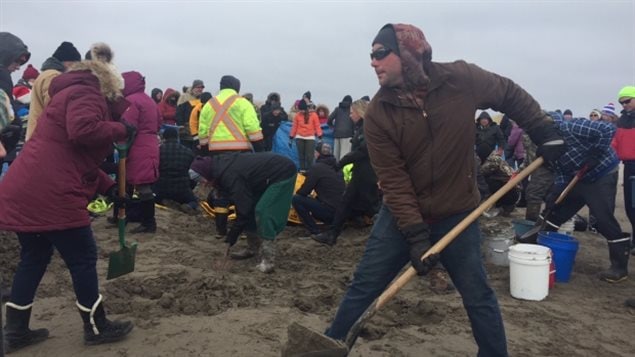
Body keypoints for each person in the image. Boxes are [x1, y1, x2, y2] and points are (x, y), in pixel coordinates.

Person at [322, 23, 565, 357]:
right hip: (401, 217)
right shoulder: (379, 113)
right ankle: (328, 347)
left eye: (380, 54)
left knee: (477, 293)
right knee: (364, 286)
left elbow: (507, 93)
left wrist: (542, 128)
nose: (373, 63)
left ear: (409, 54)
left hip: (458, 212)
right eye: (371, 55)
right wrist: (415, 234)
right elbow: (394, 180)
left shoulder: (460, 79)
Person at [0, 59, 135, 353]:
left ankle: (16, 331)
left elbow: (69, 155)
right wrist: (119, 130)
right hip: (52, 192)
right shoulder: (87, 93)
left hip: (26, 187)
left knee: (33, 258)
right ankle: (97, 328)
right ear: (109, 85)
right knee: (83, 257)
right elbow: (83, 131)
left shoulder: (66, 94)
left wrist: (110, 187)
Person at [534, 111, 627, 282]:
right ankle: (539, 251)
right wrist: (555, 195)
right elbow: (562, 173)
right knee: (556, 212)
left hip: (602, 172)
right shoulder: (547, 147)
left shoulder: (571, 127)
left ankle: (619, 267)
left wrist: (595, 154)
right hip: (579, 177)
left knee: (602, 218)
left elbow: (607, 130)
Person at [190, 152, 296, 273]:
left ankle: (268, 261)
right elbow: (239, 205)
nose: (203, 184)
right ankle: (253, 248)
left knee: (263, 211)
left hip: (281, 172)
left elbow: (243, 210)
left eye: (202, 180)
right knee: (251, 208)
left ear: (206, 173)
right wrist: (224, 230)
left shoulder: (230, 175)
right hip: (260, 178)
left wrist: (232, 236)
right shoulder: (219, 169)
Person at [313, 99, 380, 246]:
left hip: (367, 174)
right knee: (346, 203)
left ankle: (392, 234)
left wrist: (341, 163)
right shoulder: (362, 128)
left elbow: (361, 152)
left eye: (351, 112)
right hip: (360, 173)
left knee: (374, 207)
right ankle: (332, 234)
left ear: (359, 112)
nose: (350, 116)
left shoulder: (368, 129)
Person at [120, 71, 161, 234]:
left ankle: (148, 223)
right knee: (137, 182)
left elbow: (128, 127)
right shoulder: (150, 101)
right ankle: (129, 215)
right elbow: (159, 123)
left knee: (138, 184)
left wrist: (123, 147)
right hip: (150, 144)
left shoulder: (131, 101)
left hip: (137, 145)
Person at [25, 41, 82, 141]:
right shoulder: (53, 76)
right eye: (75, 64)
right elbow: (54, 107)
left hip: (38, 133)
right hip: (43, 136)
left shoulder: (46, 74)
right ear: (68, 62)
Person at [198, 75, 264, 154]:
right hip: (240, 152)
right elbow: (251, 127)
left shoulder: (209, 104)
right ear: (236, 87)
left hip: (214, 152)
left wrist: (204, 151)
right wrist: (260, 149)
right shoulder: (243, 103)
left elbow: (202, 130)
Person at [292, 142, 345, 238]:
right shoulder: (338, 168)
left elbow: (304, 191)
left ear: (317, 154)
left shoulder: (316, 168)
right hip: (341, 213)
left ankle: (314, 231)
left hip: (329, 212)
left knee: (297, 199)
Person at [611, 86, 635, 256]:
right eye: (622, 102)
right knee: (630, 207)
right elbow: (615, 143)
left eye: (627, 101)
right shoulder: (621, 121)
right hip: (628, 167)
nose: (624, 105)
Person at [154, 127, 199, 213]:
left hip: (162, 188)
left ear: (164, 137)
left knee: (153, 196)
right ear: (177, 137)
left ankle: (163, 201)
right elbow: (193, 173)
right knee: (194, 201)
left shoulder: (158, 151)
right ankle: (189, 205)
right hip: (182, 189)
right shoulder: (188, 152)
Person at [290, 100, 322, 172]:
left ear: (306, 108)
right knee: (301, 155)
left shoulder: (313, 115)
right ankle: (302, 170)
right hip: (299, 137)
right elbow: (294, 126)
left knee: (309, 156)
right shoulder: (297, 116)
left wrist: (320, 135)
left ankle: (310, 170)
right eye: (300, 110)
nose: (301, 111)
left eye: (303, 110)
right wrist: (291, 136)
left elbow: (317, 126)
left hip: (310, 137)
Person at [176, 79, 204, 149]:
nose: (200, 89)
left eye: (202, 88)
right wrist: (181, 127)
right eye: (198, 87)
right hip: (186, 132)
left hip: (198, 132)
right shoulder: (184, 97)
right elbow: (179, 113)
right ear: (193, 88)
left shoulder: (202, 99)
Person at [328, 95, 354, 160]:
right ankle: (342, 169)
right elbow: (354, 121)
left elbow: (329, 119)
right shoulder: (351, 110)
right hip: (348, 134)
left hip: (337, 134)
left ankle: (335, 169)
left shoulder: (337, 109)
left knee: (336, 155)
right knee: (344, 155)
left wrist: (332, 126)